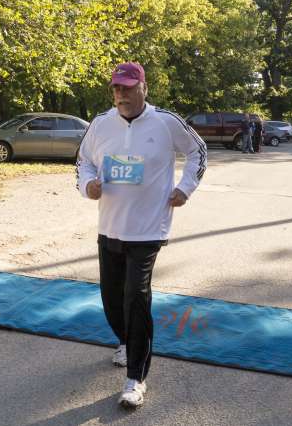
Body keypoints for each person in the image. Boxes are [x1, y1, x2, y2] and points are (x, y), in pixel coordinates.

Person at [76, 62, 207, 408]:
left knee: (136, 296)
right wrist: (86, 185)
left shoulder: (166, 122)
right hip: (110, 226)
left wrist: (185, 188)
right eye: (117, 89)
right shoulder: (101, 124)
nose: (122, 94)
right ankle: (126, 340)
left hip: (149, 228)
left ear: (144, 88)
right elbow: (83, 162)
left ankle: (136, 377)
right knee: (111, 298)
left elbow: (198, 152)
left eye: (129, 88)